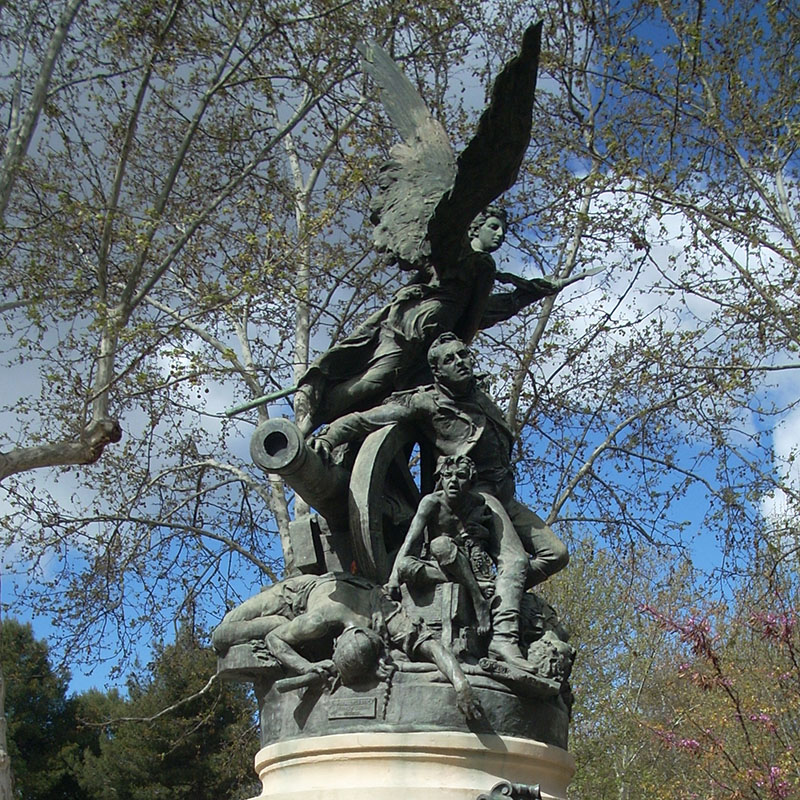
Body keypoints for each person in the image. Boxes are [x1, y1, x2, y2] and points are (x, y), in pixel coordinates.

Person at [312, 333, 569, 672]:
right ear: (436, 371)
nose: (461, 362)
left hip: (504, 498)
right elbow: (367, 420)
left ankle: (497, 595)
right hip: (478, 496)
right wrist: (329, 437)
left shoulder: (480, 396)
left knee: (556, 554)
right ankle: (504, 638)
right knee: (516, 560)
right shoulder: (426, 403)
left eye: (463, 355)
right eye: (450, 359)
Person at [295, 207, 566, 434]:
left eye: (503, 232)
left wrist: (529, 293)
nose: (500, 235)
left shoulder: (483, 266)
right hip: (406, 330)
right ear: (476, 227)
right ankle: (312, 420)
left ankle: (334, 428)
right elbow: (425, 288)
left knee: (393, 396)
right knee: (374, 381)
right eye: (494, 227)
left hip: (432, 349)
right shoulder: (452, 253)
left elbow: (478, 313)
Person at [212, 572, 479, 718]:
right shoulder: (319, 621)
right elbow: (274, 639)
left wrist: (461, 684)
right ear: (335, 640)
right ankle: (276, 622)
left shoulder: (385, 614)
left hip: (340, 595)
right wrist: (307, 666)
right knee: (222, 635)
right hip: (294, 597)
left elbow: (430, 645)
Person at [386, 454, 494, 636]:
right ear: (441, 479)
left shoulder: (477, 504)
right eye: (447, 476)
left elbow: (480, 544)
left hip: (461, 560)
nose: (453, 481)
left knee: (440, 544)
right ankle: (474, 586)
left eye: (460, 476)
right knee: (404, 567)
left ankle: (478, 600)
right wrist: (393, 578)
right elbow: (410, 540)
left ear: (470, 480)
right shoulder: (431, 503)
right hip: (437, 566)